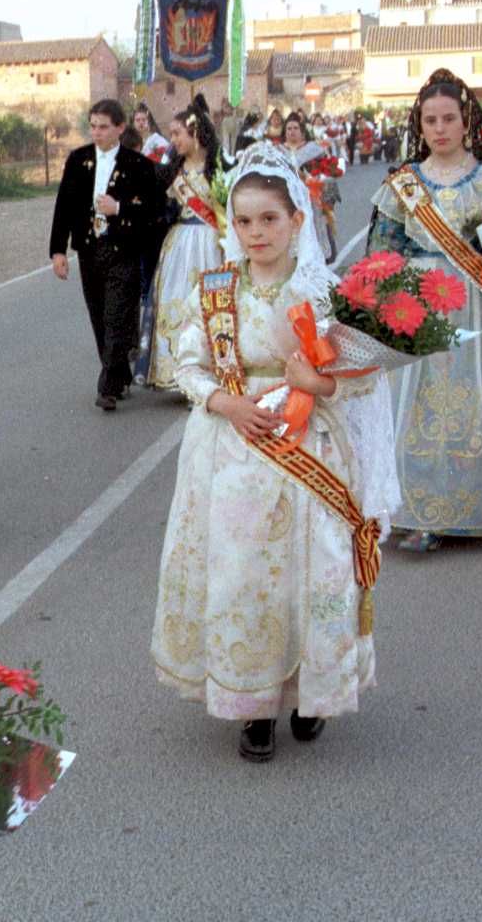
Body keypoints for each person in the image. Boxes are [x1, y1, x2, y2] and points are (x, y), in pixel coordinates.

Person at [151, 143, 398, 762]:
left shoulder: (323, 292)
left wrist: (319, 383)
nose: (256, 232)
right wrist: (224, 403)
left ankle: (312, 693)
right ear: (230, 226)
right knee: (243, 577)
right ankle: (253, 706)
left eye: (269, 219)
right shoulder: (216, 291)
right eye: (244, 221)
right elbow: (187, 363)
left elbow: (362, 376)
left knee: (310, 575)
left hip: (308, 447)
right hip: (232, 452)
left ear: (296, 221)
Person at [367, 69, 482, 552]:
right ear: (420, 124)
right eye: (430, 119)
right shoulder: (403, 184)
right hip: (419, 304)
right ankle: (421, 508)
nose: (439, 128)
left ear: (467, 120)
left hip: (480, 305)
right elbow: (381, 251)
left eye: (448, 118)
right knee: (416, 408)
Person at [50, 98, 160, 411]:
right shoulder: (78, 159)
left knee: (116, 315)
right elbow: (65, 206)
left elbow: (151, 210)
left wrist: (119, 208)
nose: (96, 132)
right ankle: (118, 369)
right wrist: (58, 250)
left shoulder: (137, 164)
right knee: (99, 315)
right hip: (89, 249)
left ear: (120, 128)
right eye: (93, 126)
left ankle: (108, 386)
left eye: (103, 127)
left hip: (123, 249)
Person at [136, 95, 224, 391]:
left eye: (177, 134)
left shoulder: (220, 169)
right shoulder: (171, 171)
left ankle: (213, 373)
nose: (172, 140)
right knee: (177, 304)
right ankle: (176, 372)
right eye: (171, 134)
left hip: (212, 243)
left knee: (211, 308)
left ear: (196, 133)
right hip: (180, 243)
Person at [282, 111, 339, 263]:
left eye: (295, 128)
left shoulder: (314, 149)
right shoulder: (279, 152)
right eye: (289, 129)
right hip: (287, 199)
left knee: (313, 226)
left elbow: (329, 172)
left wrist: (310, 179)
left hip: (311, 198)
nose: (292, 131)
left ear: (302, 132)